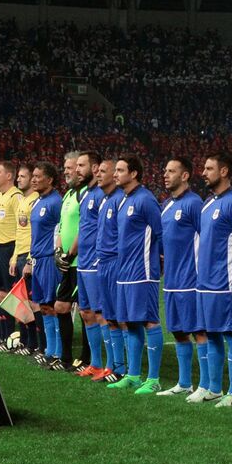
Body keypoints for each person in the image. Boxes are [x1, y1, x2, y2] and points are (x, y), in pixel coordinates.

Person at [188, 152, 232, 405]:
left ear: (224, 172)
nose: (203, 172)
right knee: (211, 333)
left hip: (225, 282)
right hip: (204, 281)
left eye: (209, 168)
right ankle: (213, 387)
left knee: (230, 333)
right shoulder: (207, 203)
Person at [108, 156, 164, 393]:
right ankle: (133, 375)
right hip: (124, 271)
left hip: (143, 271)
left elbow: (160, 233)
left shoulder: (146, 199)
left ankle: (153, 379)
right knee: (130, 323)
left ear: (134, 174)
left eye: (120, 170)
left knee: (149, 321)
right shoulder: (122, 200)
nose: (115, 174)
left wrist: (159, 262)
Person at [156, 155, 205, 396]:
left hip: (191, 280)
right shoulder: (166, 205)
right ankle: (184, 383)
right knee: (177, 330)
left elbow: (204, 239)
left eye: (171, 171)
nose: (165, 174)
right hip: (172, 280)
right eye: (165, 170)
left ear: (185, 176)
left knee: (198, 331)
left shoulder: (194, 204)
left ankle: (206, 385)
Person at [25, 162, 64, 367]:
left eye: (38, 176)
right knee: (44, 306)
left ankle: (58, 351)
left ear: (49, 180)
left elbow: (61, 230)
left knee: (52, 305)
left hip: (50, 259)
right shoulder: (37, 202)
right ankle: (50, 350)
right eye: (33, 175)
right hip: (38, 260)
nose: (33, 179)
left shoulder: (56, 202)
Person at [74, 153, 109, 377]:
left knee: (100, 314)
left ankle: (113, 365)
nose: (77, 169)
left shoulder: (101, 195)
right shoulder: (86, 194)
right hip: (82, 261)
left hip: (95, 262)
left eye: (81, 165)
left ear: (95, 168)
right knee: (86, 313)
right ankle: (95, 363)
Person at [54, 151, 88, 370]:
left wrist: (71, 253)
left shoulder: (85, 193)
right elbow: (61, 227)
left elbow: (85, 226)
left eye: (70, 167)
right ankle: (66, 357)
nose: (66, 171)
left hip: (79, 262)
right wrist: (58, 250)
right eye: (65, 167)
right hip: (66, 261)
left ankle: (86, 359)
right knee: (61, 306)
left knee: (86, 312)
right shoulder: (68, 195)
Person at [93, 160, 126, 378]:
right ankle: (112, 365)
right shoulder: (105, 200)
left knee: (119, 316)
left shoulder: (118, 200)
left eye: (103, 171)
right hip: (102, 262)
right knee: (108, 315)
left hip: (115, 263)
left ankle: (123, 368)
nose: (98, 174)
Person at [0, 161, 22, 350]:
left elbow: (21, 228)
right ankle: (1, 337)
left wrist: (15, 255)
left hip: (9, 248)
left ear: (9, 176)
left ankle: (15, 337)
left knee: (10, 294)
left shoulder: (15, 197)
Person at [12, 165, 41, 355]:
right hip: (19, 254)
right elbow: (19, 231)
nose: (19, 179)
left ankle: (37, 343)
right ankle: (26, 341)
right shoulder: (22, 201)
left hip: (31, 255)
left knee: (33, 302)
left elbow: (35, 234)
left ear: (32, 179)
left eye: (23, 176)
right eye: (18, 176)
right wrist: (14, 257)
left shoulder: (36, 201)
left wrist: (30, 258)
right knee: (21, 302)